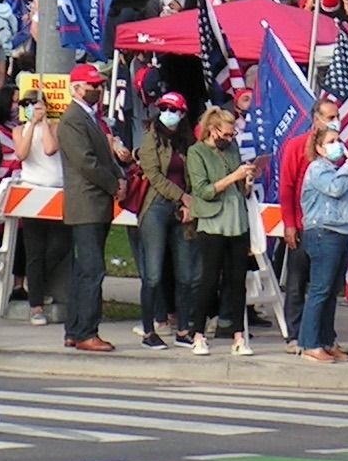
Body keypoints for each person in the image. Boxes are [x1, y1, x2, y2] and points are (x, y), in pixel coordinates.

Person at [57, 63, 125, 352]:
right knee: (91, 268)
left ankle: (75, 329)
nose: (98, 90)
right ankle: (86, 331)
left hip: (93, 202)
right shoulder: (73, 119)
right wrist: (113, 184)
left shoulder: (89, 117)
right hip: (87, 201)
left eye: (98, 85)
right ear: (77, 88)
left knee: (84, 269)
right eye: (92, 86)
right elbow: (86, 162)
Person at [185, 106, 257, 356]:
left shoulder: (233, 149)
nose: (230, 139)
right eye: (226, 135)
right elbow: (203, 190)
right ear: (212, 130)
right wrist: (233, 176)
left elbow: (239, 189)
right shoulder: (197, 152)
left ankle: (239, 335)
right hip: (213, 222)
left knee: (237, 282)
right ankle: (199, 334)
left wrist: (246, 181)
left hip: (237, 221)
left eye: (232, 135)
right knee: (208, 280)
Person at [137, 92, 200, 349]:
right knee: (152, 273)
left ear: (182, 113)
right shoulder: (151, 138)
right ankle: (149, 330)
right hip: (156, 207)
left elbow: (194, 174)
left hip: (182, 209)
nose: (168, 113)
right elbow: (152, 174)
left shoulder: (188, 142)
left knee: (186, 274)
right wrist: (182, 197)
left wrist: (190, 201)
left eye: (173, 109)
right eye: (164, 108)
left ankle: (183, 328)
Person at [279, 96, 342, 353]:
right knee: (297, 283)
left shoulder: (338, 148)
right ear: (316, 120)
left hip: (329, 228)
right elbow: (287, 186)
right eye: (330, 117)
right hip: (303, 225)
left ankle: (324, 335)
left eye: (337, 116)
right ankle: (295, 335)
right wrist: (290, 224)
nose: (335, 121)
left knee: (326, 285)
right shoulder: (295, 147)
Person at [298, 124, 348, 364]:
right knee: (320, 290)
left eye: (338, 140)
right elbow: (334, 189)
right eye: (331, 141)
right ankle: (310, 343)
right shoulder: (318, 169)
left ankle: (326, 339)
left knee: (331, 292)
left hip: (342, 232)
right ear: (319, 148)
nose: (338, 145)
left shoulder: (337, 169)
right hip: (324, 233)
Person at [10, 83, 68, 327]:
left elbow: (50, 148)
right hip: (32, 192)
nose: (30, 110)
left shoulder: (55, 127)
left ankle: (38, 283)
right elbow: (22, 154)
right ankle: (35, 305)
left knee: (59, 244)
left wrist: (44, 122)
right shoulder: (18, 130)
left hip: (57, 191)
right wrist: (31, 124)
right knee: (34, 249)